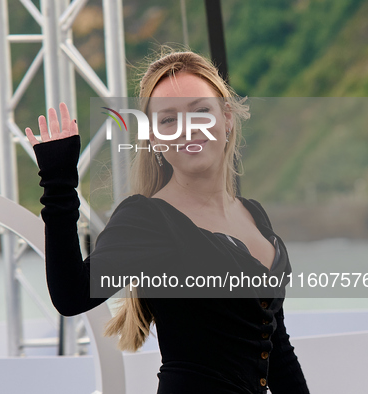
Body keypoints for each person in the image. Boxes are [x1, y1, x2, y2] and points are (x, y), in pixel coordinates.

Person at [25, 50, 310, 394]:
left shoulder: (254, 215)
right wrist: (58, 184)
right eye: (168, 119)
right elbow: (70, 296)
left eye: (201, 110)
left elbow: (278, 351)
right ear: (154, 138)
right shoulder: (149, 219)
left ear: (228, 117)